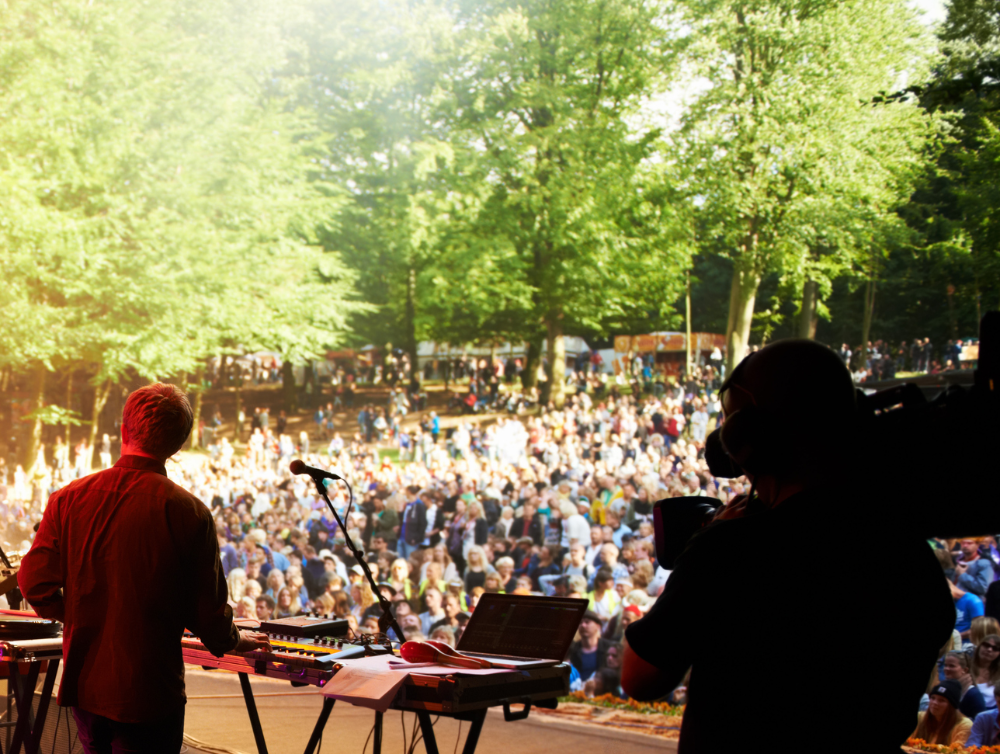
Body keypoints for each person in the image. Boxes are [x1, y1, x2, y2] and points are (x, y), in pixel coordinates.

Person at [621, 340, 960, 754]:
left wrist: (701, 548)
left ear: (749, 439)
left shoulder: (732, 550)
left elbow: (639, 678)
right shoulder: (908, 554)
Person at [18, 383, 270, 753]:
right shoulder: (189, 513)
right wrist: (234, 639)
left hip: (87, 686)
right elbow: (209, 615)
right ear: (179, 444)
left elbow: (34, 583)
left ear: (123, 430)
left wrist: (84, 615)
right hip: (151, 692)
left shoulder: (68, 498)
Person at [911, 681, 973, 746]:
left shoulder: (964, 725)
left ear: (952, 706)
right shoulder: (920, 717)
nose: (935, 703)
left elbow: (957, 751)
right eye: (933, 698)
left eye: (941, 700)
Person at [942, 650, 988, 721]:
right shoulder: (943, 687)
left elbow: (983, 723)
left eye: (952, 666)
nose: (946, 669)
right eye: (945, 665)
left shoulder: (973, 694)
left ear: (965, 670)